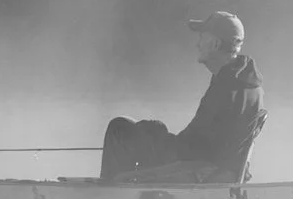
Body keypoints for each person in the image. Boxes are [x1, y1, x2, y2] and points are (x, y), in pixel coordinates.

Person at [99, 10, 268, 184]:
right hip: (200, 162)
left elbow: (193, 151)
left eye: (202, 37)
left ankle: (108, 196)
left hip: (198, 170)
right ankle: (116, 193)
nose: (198, 44)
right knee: (136, 127)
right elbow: (200, 141)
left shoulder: (228, 89)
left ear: (215, 44)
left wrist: (155, 136)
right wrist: (155, 132)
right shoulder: (243, 82)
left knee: (120, 129)